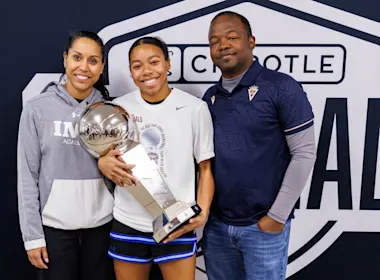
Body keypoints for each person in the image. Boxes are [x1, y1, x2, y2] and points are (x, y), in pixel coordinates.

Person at [200, 11, 317, 280]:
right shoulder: (210, 97)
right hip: (217, 227)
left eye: (232, 37)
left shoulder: (281, 87)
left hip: (262, 226)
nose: (223, 45)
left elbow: (305, 153)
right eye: (214, 41)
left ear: (251, 41)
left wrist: (276, 216)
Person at [97, 36, 215, 280]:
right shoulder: (118, 108)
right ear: (130, 71)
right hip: (128, 220)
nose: (146, 71)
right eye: (137, 66)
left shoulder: (195, 108)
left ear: (168, 63)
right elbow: (107, 156)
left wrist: (202, 214)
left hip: (177, 222)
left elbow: (205, 169)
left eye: (154, 62)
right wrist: (102, 161)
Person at [17, 30, 115, 280]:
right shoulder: (37, 108)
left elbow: (123, 170)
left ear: (102, 66)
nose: (84, 67)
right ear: (65, 59)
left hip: (102, 228)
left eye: (93, 60)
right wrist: (33, 237)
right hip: (54, 230)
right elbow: (27, 176)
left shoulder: (109, 112)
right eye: (77, 57)